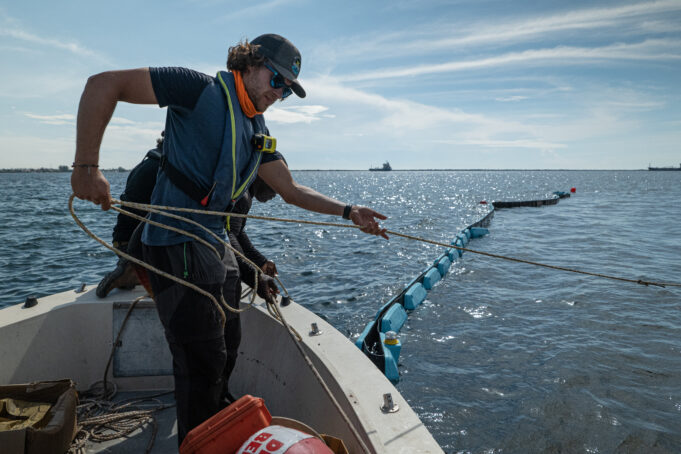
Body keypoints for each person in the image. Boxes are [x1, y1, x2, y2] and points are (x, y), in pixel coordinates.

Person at [71, 33, 387, 444]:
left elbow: (290, 190)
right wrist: (86, 166)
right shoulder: (197, 88)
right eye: (277, 81)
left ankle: (216, 418)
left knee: (229, 342)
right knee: (201, 359)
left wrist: (349, 212)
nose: (279, 94)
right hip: (174, 243)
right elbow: (102, 84)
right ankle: (200, 438)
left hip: (215, 244)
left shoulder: (258, 128)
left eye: (287, 91)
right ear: (250, 63)